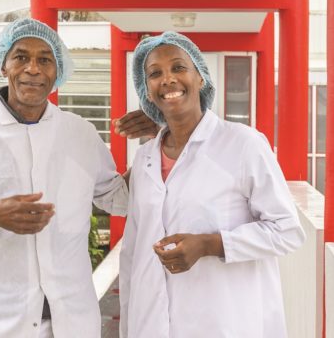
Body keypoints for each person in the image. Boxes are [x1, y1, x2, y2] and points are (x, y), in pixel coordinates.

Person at [0, 18, 156, 338]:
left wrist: (164, 134)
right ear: (3, 65)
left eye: (45, 59)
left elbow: (119, 198)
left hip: (71, 320)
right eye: (21, 57)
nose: (33, 68)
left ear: (57, 73)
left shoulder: (79, 132)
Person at [119, 31, 306, 338]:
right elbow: (132, 254)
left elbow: (286, 230)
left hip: (225, 322)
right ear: (147, 91)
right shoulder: (144, 159)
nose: (167, 79)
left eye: (179, 68)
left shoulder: (242, 144)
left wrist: (208, 244)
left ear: (201, 78)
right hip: (150, 323)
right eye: (155, 73)